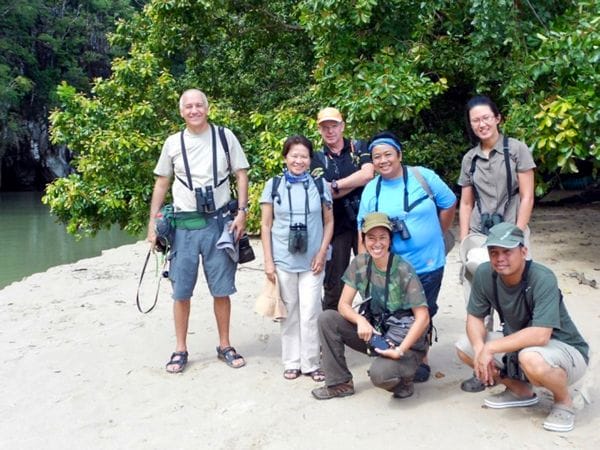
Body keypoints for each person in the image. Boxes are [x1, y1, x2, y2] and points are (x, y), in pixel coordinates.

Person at [147, 88, 249, 373]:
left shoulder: (225, 137)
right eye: (188, 106)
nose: (194, 110)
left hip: (219, 222)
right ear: (181, 112)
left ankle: (225, 344)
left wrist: (242, 213)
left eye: (199, 105)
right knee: (181, 291)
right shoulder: (172, 143)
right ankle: (180, 348)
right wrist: (153, 223)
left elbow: (241, 174)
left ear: (207, 107)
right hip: (184, 225)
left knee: (222, 288)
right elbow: (161, 183)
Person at [455, 222, 589, 433]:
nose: (500, 259)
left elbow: (541, 334)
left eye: (507, 251)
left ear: (524, 251)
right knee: (465, 347)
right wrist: (480, 349)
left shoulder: (542, 277)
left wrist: (490, 349)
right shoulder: (484, 273)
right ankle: (520, 391)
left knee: (530, 357)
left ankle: (564, 402)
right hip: (521, 344)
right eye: (494, 252)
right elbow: (474, 318)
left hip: (566, 349)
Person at [357, 131, 457, 382]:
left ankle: (421, 356)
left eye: (388, 154)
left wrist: (438, 233)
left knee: (425, 310)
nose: (383, 160)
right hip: (392, 268)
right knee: (400, 313)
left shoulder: (423, 177)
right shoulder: (371, 190)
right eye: (376, 156)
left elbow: (449, 203)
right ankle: (400, 353)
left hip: (428, 262)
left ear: (399, 155)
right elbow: (363, 229)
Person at [458, 95, 536, 392]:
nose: (481, 124)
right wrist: (466, 239)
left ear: (497, 118)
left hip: (512, 230)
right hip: (480, 234)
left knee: (516, 296)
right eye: (475, 120)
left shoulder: (517, 149)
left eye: (486, 118)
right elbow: (466, 203)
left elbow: (527, 195)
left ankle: (520, 363)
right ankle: (483, 365)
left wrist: (517, 234)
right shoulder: (469, 158)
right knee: (477, 300)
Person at [311, 212, 430, 400]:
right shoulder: (360, 263)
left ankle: (404, 380)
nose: (377, 243)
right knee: (327, 318)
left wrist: (400, 350)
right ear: (363, 239)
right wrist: (360, 321)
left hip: (404, 339)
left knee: (380, 375)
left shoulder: (402, 269)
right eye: (371, 238)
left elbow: (423, 317)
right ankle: (339, 383)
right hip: (376, 332)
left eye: (383, 237)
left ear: (390, 240)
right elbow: (343, 305)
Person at [260, 135, 334, 381]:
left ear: (310, 159)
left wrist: (323, 251)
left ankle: (311, 363)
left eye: (304, 156)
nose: (299, 160)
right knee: (290, 310)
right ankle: (291, 361)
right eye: (294, 155)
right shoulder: (273, 185)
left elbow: (329, 221)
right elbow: (266, 224)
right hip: (283, 258)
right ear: (285, 157)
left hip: (313, 259)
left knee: (311, 310)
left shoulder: (320, 185)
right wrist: (268, 261)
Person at [310, 107, 374, 311]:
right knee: (333, 282)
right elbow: (325, 192)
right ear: (320, 130)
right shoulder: (316, 157)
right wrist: (357, 180)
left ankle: (376, 323)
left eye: (334, 126)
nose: (330, 131)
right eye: (325, 127)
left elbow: (368, 174)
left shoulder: (359, 146)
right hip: (334, 225)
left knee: (371, 276)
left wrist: (337, 184)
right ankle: (330, 327)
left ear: (342, 126)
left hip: (366, 222)